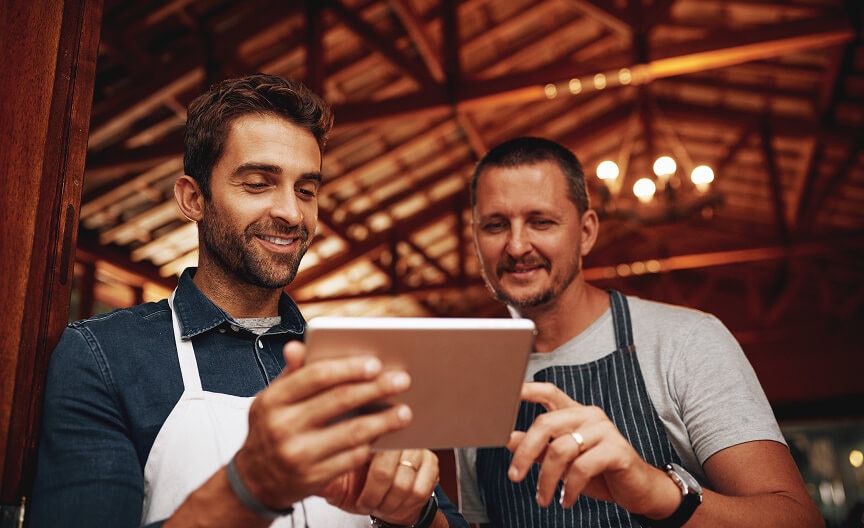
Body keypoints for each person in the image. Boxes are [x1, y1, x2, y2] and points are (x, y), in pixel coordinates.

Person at [31, 74, 468, 528]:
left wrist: (415, 511)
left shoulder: (355, 362)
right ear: (193, 198)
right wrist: (251, 486)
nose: (292, 213)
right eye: (259, 183)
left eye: (306, 189)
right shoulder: (103, 357)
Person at [455, 136, 824, 527]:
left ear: (586, 232)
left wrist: (658, 492)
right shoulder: (474, 382)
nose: (515, 245)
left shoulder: (687, 341)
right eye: (495, 225)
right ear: (476, 238)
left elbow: (799, 520)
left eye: (540, 221)